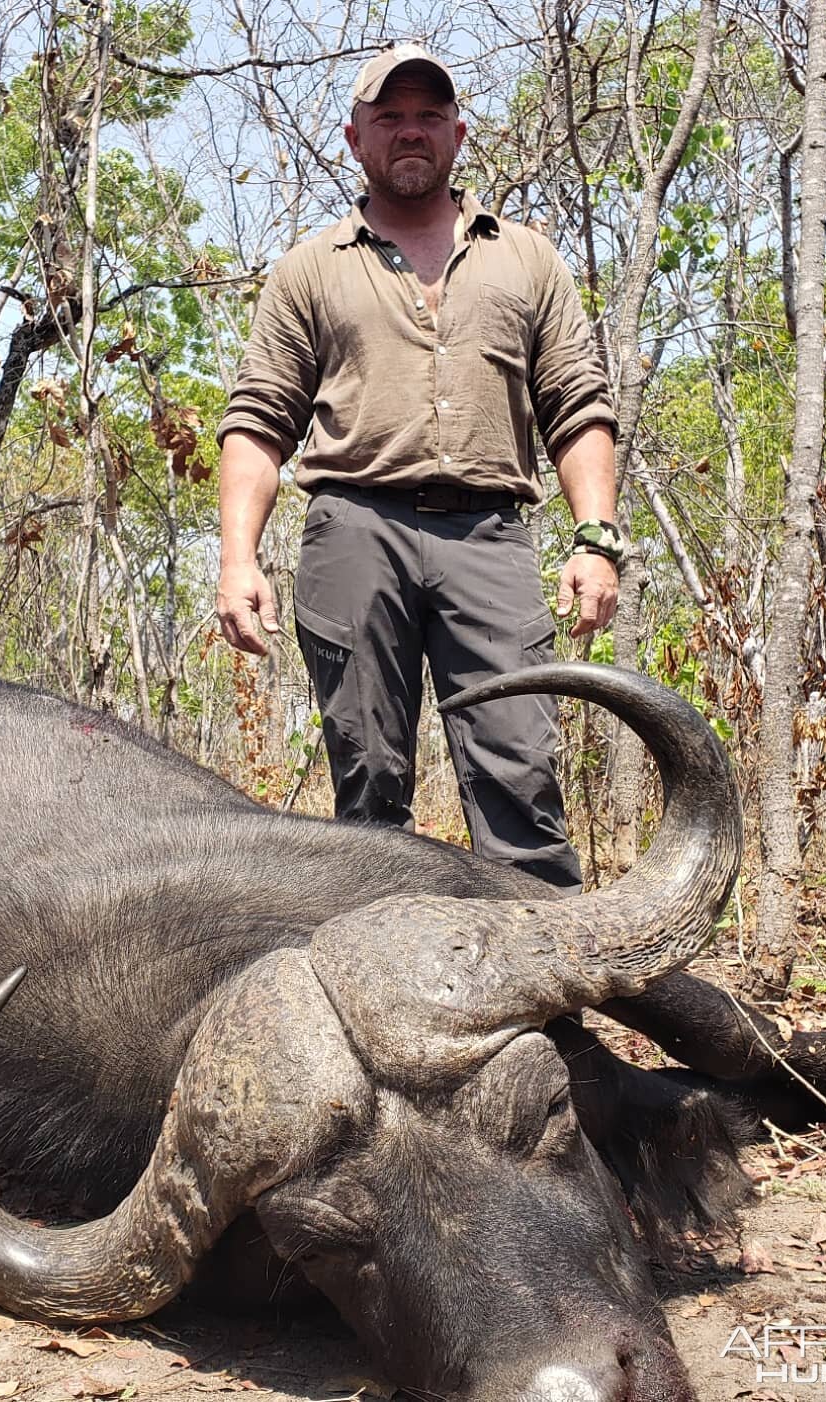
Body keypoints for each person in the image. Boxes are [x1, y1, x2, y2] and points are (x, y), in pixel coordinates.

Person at [214, 43, 624, 890]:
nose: (411, 132)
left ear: (458, 135)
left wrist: (596, 538)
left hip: (489, 538)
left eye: (429, 116)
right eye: (390, 117)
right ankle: (378, 1004)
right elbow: (258, 423)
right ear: (355, 137)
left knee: (521, 775)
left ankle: (551, 1000)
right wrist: (237, 558)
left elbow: (579, 408)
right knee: (368, 790)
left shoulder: (526, 260)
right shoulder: (309, 269)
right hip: (355, 531)